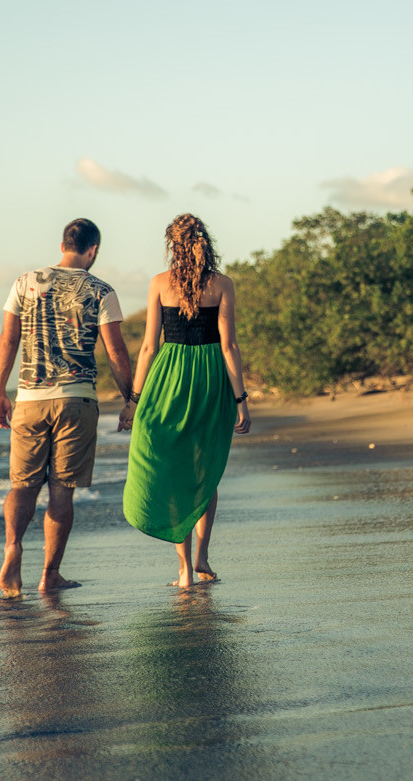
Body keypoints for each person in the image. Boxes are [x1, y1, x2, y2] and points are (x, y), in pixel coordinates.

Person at [0, 218, 133, 598]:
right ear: (93, 250)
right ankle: (50, 574)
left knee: (23, 484)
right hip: (77, 399)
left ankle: (12, 547)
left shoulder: (24, 282)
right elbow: (115, 351)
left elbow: (9, 338)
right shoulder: (101, 290)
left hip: (30, 399)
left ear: (62, 246)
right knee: (61, 489)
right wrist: (129, 398)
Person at [122, 214, 251, 588]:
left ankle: (183, 571)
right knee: (204, 472)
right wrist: (240, 398)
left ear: (171, 245)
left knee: (170, 470)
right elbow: (228, 346)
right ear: (205, 241)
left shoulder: (159, 284)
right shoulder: (222, 284)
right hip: (210, 380)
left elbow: (148, 347)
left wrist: (134, 400)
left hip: (168, 380)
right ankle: (202, 557)